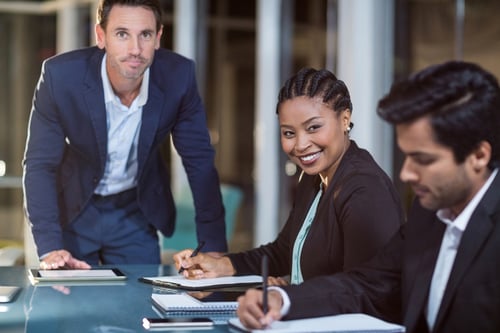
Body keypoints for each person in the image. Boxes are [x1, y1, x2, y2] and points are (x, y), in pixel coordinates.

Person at [236, 61, 500, 333]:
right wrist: (283, 299)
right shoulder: (429, 213)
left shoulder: (365, 187)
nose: (406, 173)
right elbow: (366, 284)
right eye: (406, 156)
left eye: (422, 159)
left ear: (479, 156)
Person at [22, 0, 227, 269]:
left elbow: (199, 161)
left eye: (145, 34)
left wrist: (213, 248)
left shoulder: (179, 76)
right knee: (71, 304)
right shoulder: (60, 76)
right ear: (101, 36)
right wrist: (49, 247)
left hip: (135, 211)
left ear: (158, 38)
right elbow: (39, 164)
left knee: (139, 304)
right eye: (122, 34)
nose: (135, 49)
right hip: (75, 207)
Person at [173, 68, 403, 286]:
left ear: (345, 119)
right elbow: (284, 252)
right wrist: (223, 265)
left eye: (313, 127)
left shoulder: (364, 189)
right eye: (289, 133)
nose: (301, 145)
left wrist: (289, 296)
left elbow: (365, 290)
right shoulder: (314, 179)